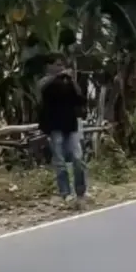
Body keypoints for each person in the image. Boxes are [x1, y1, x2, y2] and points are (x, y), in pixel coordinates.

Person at [38, 54, 88, 207]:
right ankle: (65, 193)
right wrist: (57, 76)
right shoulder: (45, 81)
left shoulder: (67, 82)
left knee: (78, 158)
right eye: (57, 65)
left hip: (70, 124)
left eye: (62, 65)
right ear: (49, 67)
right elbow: (41, 90)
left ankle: (81, 192)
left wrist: (72, 80)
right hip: (54, 126)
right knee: (60, 162)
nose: (60, 68)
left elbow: (80, 98)